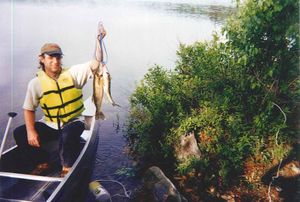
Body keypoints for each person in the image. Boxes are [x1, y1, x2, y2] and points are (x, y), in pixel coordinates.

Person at [13, 25, 106, 177]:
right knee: (19, 133)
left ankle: (67, 167)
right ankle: (42, 161)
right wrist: (31, 131)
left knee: (68, 133)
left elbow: (96, 63)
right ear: (41, 59)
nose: (55, 61)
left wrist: (99, 40)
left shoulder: (73, 73)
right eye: (51, 57)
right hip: (50, 124)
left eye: (58, 57)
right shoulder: (35, 83)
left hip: (73, 122)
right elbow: (29, 109)